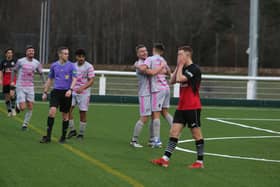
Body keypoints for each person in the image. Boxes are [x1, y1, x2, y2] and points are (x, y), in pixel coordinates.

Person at [151, 46, 205, 169]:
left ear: (187, 56)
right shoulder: (183, 68)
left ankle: (200, 162)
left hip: (192, 107)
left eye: (180, 55)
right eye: (178, 55)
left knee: (196, 134)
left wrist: (180, 66)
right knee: (174, 132)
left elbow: (180, 79)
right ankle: (165, 159)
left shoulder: (194, 69)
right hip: (182, 107)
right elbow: (172, 80)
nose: (178, 57)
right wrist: (178, 66)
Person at [40, 47, 77, 143]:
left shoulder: (72, 66)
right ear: (60, 54)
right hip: (56, 92)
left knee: (65, 116)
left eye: (67, 53)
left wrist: (70, 89)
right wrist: (45, 92)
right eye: (65, 53)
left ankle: (63, 137)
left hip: (66, 93)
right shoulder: (54, 65)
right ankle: (48, 137)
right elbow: (49, 79)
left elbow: (74, 79)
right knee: (52, 112)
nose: (67, 55)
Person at [139, 43, 173, 148]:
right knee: (165, 112)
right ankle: (176, 131)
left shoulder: (150, 59)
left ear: (153, 49)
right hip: (166, 88)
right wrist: (162, 68)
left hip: (157, 89)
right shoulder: (163, 60)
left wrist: (141, 66)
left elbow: (142, 68)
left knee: (156, 114)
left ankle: (156, 140)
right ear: (162, 52)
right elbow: (169, 72)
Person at [11, 45, 45, 130]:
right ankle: (18, 106)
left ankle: (25, 125)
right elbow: (14, 70)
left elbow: (41, 73)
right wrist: (12, 81)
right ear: (26, 52)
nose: (31, 52)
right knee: (23, 108)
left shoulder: (36, 63)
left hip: (30, 87)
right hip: (20, 86)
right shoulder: (20, 61)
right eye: (29, 51)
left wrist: (45, 83)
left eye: (32, 51)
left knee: (30, 106)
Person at [67, 49, 95, 140]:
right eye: (79, 56)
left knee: (82, 112)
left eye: (83, 57)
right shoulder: (72, 66)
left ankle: (81, 134)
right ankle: (72, 130)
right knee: (67, 110)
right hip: (72, 92)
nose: (81, 58)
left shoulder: (89, 66)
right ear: (76, 57)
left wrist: (82, 88)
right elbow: (69, 77)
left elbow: (91, 81)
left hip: (84, 93)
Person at [130, 44, 152, 148]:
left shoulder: (147, 62)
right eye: (142, 51)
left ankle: (152, 139)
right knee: (144, 117)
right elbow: (149, 72)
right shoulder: (140, 64)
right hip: (144, 94)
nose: (145, 52)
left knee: (153, 116)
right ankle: (134, 140)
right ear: (138, 54)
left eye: (146, 50)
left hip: (152, 93)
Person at [0, 48, 17, 116]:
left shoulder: (15, 61)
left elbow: (18, 70)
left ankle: (13, 108)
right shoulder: (3, 62)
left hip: (13, 80)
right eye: (8, 53)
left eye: (11, 53)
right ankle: (9, 111)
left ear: (12, 54)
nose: (10, 54)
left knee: (12, 94)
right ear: (6, 54)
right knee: (7, 97)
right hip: (5, 80)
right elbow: (1, 71)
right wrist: (0, 79)